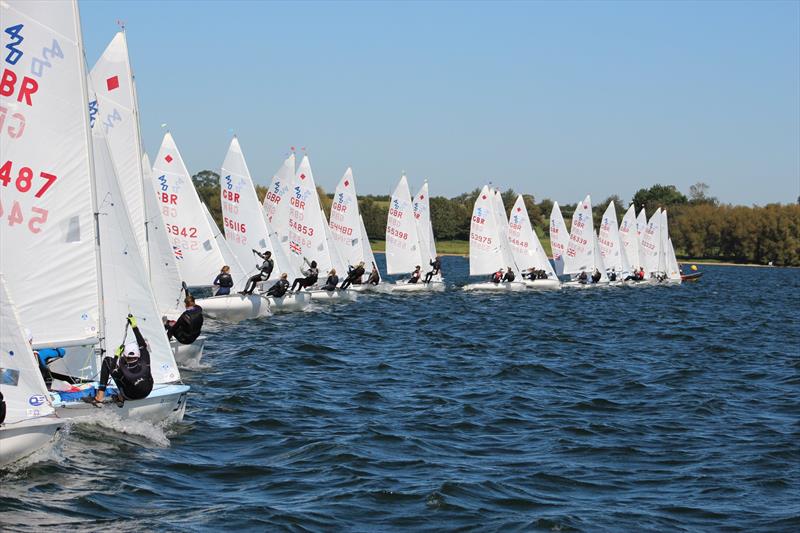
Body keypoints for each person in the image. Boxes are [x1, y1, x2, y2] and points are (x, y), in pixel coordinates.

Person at [88, 314, 153, 404]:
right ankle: (119, 397)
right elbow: (142, 344)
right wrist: (134, 326)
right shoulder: (145, 361)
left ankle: (101, 397)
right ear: (138, 354)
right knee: (136, 380)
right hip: (147, 392)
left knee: (107, 360)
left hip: (129, 396)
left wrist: (116, 356)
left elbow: (111, 369)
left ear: (124, 356)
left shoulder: (123, 370)